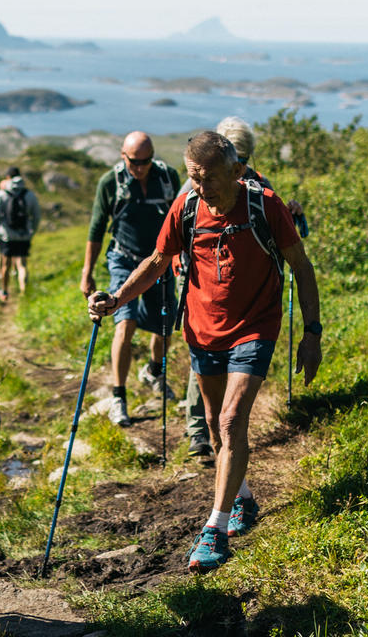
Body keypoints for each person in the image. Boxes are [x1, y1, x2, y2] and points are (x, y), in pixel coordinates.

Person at [90, 130, 320, 574]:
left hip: (255, 326)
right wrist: (117, 299)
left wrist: (312, 334)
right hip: (201, 329)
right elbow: (158, 262)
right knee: (215, 426)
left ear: (237, 171)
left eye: (209, 178)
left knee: (233, 420)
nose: (200, 186)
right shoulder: (188, 206)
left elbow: (302, 268)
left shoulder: (265, 205)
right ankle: (244, 499)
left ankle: (213, 528)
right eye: (194, 176)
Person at [183, 116, 274, 462]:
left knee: (228, 409)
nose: (244, 166)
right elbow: (172, 238)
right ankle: (199, 432)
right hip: (198, 280)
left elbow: (276, 224)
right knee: (204, 362)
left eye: (246, 160)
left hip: (245, 304)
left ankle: (220, 439)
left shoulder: (258, 187)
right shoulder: (197, 186)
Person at [81, 131, 180, 426]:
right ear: (123, 156)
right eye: (135, 162)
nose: (141, 167)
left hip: (159, 262)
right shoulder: (110, 182)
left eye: (146, 161)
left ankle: (152, 371)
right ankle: (118, 397)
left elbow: (180, 218)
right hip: (123, 259)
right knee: (124, 322)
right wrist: (87, 272)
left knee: (163, 329)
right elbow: (97, 228)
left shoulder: (168, 177)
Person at [0, 165, 40, 303]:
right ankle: (24, 293)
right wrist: (31, 232)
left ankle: (4, 292)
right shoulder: (29, 194)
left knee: (6, 265)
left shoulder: (1, 194)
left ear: (7, 177)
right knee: (22, 265)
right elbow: (36, 216)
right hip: (24, 236)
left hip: (7, 236)